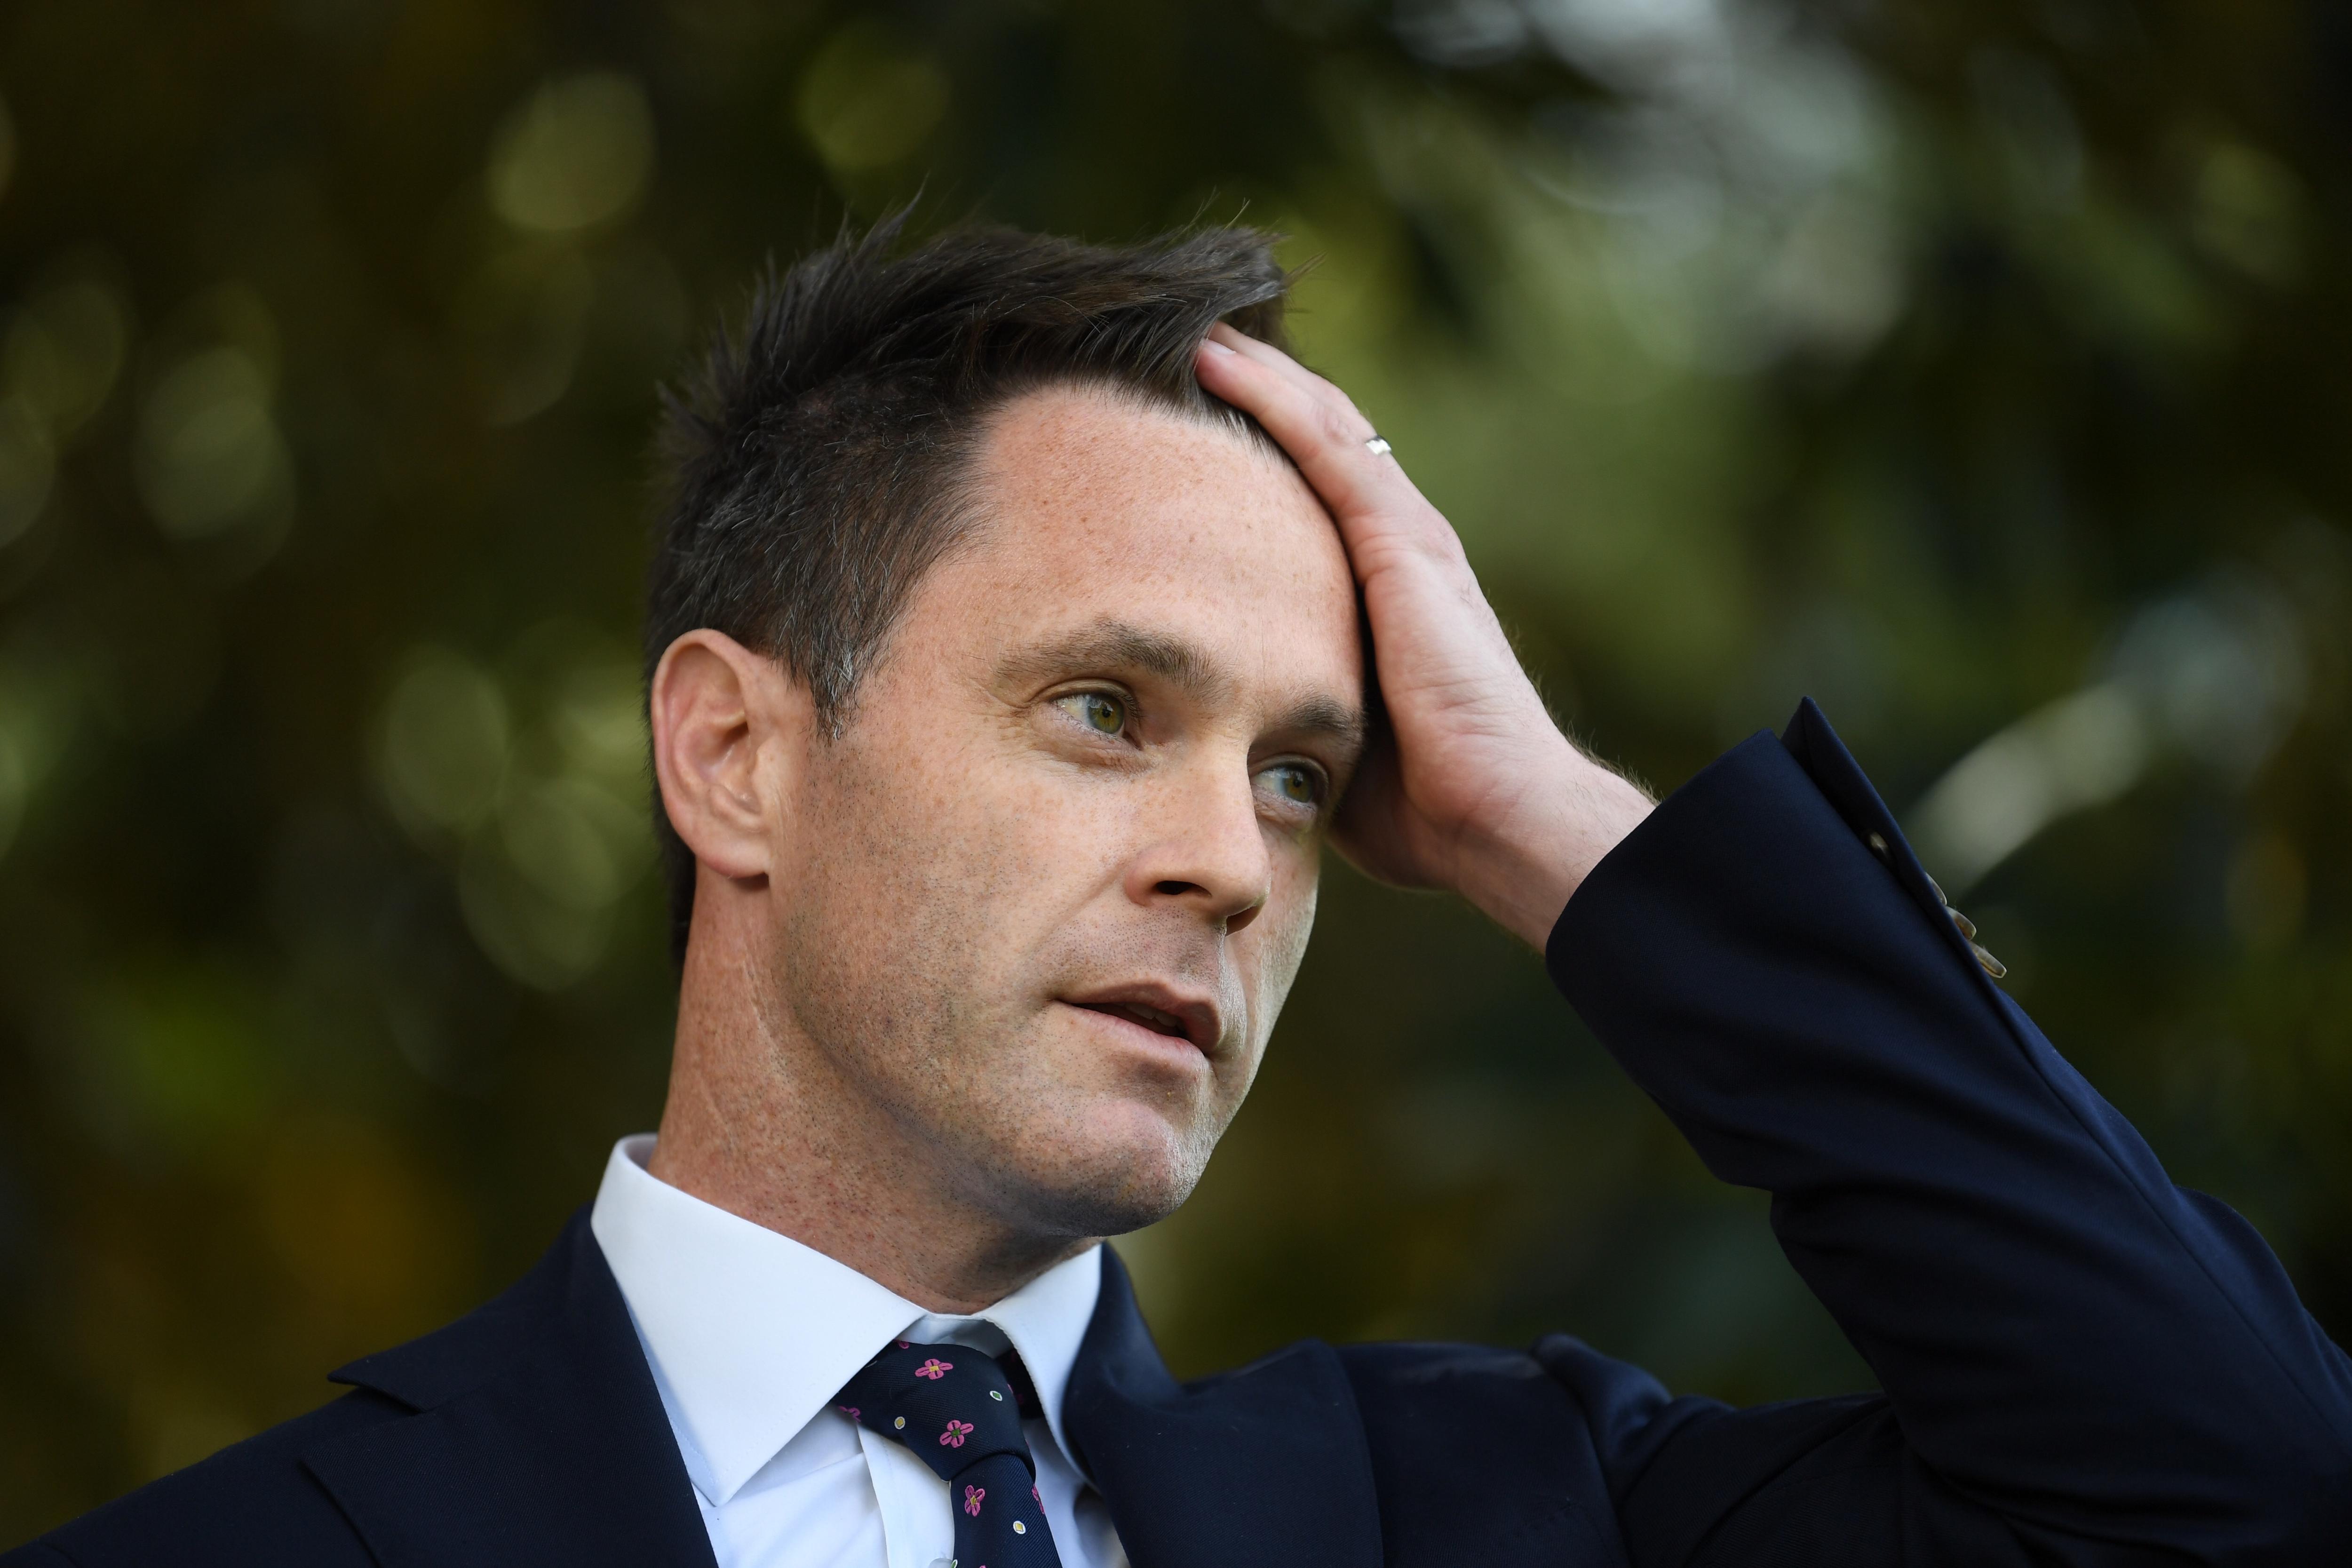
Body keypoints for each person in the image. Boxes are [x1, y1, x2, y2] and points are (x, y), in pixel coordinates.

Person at [9, 220, 2348, 1568]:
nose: (1230, 861)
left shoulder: (1496, 1517)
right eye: (1105, 708)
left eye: (1307, 777)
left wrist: (1544, 819)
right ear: (734, 755)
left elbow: (2232, 1488)